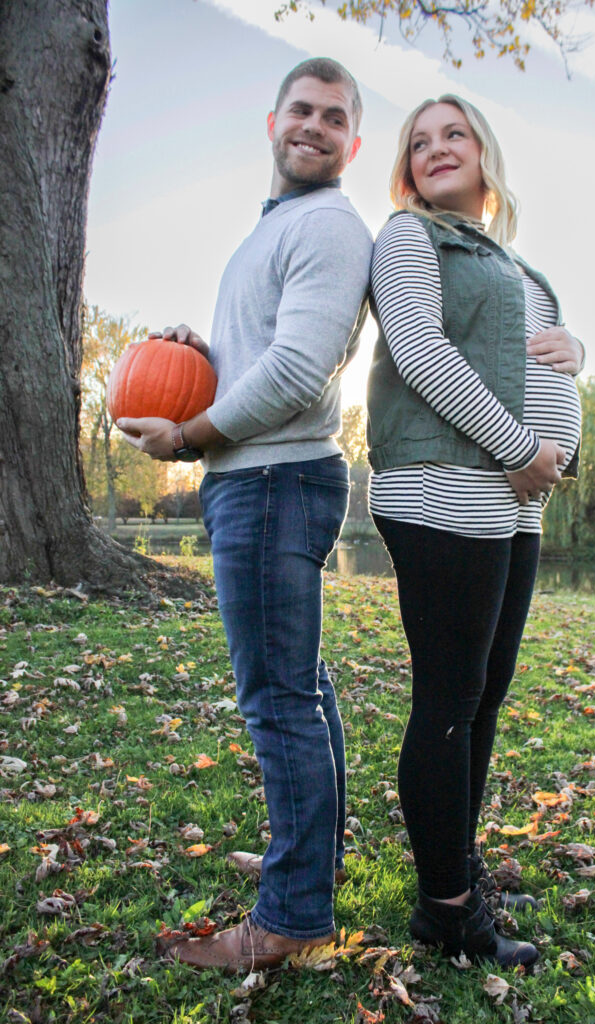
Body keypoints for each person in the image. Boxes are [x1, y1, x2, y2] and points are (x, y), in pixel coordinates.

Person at [118, 58, 373, 972]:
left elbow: (301, 372)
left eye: (332, 117)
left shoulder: (332, 226)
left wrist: (188, 433)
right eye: (299, 110)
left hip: (271, 483)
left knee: (277, 701)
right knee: (299, 685)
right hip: (265, 478)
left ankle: (294, 917)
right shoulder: (278, 229)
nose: (312, 126)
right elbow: (265, 354)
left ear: (353, 142)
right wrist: (199, 353)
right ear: (271, 123)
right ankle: (307, 858)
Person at [366, 94, 584, 968]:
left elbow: (537, 347)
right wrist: (519, 446)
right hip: (444, 488)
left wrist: (577, 348)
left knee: (483, 699)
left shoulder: (508, 259)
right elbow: (418, 352)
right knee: (449, 704)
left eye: (452, 133)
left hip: (513, 501)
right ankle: (446, 910)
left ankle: (455, 864)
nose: (435, 148)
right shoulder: (408, 237)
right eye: (419, 141)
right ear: (406, 166)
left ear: (484, 151)